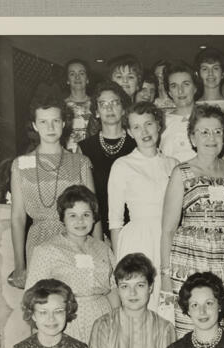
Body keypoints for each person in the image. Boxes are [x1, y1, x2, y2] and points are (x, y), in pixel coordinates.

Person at [161, 104, 224, 338]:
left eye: (217, 131)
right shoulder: (181, 172)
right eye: (204, 132)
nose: (211, 137)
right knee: (192, 326)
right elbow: (167, 230)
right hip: (190, 259)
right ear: (192, 137)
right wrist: (165, 279)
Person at [8, 94, 98, 289]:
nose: (50, 128)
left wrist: (99, 252)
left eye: (55, 121)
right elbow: (17, 218)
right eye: (43, 122)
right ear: (34, 125)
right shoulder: (20, 165)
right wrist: (19, 265)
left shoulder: (80, 162)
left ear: (64, 123)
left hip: (75, 239)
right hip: (38, 242)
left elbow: (94, 211)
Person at [25, 185, 119, 344]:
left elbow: (113, 289)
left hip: (104, 320)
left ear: (94, 217)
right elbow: (33, 299)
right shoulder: (47, 250)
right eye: (73, 215)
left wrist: (117, 322)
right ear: (63, 218)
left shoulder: (103, 248)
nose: (80, 221)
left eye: (86, 214)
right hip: (67, 322)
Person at [107, 102, 179, 311]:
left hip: (170, 238)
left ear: (159, 125)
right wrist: (119, 263)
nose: (144, 131)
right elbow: (115, 220)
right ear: (129, 132)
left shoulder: (174, 164)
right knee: (140, 301)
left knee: (168, 301)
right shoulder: (122, 165)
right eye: (136, 127)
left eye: (148, 124)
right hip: (137, 240)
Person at [89, 253, 176, 348]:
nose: (132, 293)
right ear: (118, 290)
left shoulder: (165, 329)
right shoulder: (103, 326)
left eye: (140, 285)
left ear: (150, 287)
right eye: (125, 286)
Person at [78, 81, 136, 239]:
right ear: (96, 112)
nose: (109, 108)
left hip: (134, 229)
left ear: (123, 109)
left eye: (115, 103)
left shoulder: (137, 144)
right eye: (103, 104)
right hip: (97, 230)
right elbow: (85, 199)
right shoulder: (84, 149)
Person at [161, 272, 224, 348]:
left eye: (208, 303)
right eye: (195, 305)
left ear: (219, 305)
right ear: (188, 310)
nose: (202, 311)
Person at [7, 279, 89, 348]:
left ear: (67, 312)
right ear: (33, 315)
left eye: (58, 311)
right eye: (43, 312)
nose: (51, 318)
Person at [159, 61, 199, 162]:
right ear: (169, 92)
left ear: (195, 88)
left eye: (186, 84)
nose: (180, 91)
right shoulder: (161, 121)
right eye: (174, 86)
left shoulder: (209, 117)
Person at [63, 58, 93, 152]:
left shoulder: (96, 104)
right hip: (67, 155)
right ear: (67, 80)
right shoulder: (61, 106)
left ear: (87, 79)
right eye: (72, 74)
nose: (77, 77)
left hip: (92, 153)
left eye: (81, 73)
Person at [194, 47, 224, 114]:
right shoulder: (193, 107)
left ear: (222, 74)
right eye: (205, 69)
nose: (210, 73)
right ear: (198, 74)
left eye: (215, 68)